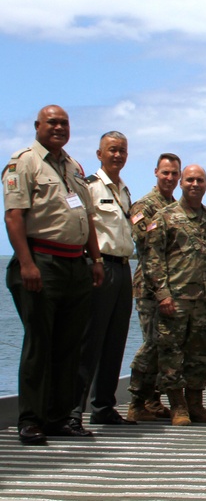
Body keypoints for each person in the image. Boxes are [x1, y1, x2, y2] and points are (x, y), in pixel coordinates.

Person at [4, 105, 104, 445]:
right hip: (41, 261)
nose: (59, 128)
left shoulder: (73, 167)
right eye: (52, 122)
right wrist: (27, 263)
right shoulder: (24, 162)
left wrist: (96, 259)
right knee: (39, 344)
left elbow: (87, 217)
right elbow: (14, 217)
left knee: (69, 345)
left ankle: (59, 417)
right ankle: (30, 419)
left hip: (76, 264)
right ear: (37, 126)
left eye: (64, 123)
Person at [145, 164, 206, 426]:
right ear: (181, 183)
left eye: (200, 180)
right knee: (171, 355)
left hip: (202, 300)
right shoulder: (165, 216)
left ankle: (196, 405)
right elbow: (153, 259)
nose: (194, 184)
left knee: (200, 356)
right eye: (190, 179)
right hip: (174, 300)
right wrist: (162, 295)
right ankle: (177, 407)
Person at [74, 131, 135, 427]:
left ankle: (103, 407)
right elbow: (82, 226)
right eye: (112, 150)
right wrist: (94, 261)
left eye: (122, 150)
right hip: (100, 266)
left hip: (123, 268)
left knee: (115, 341)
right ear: (99, 154)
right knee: (90, 340)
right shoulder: (89, 188)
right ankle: (73, 411)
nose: (117, 155)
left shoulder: (124, 190)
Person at [125, 153, 181, 422]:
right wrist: (160, 290)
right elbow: (146, 248)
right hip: (149, 286)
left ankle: (153, 400)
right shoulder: (145, 206)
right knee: (152, 343)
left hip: (172, 286)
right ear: (156, 173)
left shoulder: (176, 205)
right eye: (165, 173)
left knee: (166, 344)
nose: (169, 178)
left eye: (174, 174)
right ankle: (135, 400)